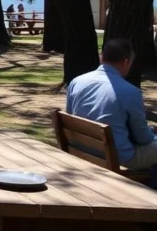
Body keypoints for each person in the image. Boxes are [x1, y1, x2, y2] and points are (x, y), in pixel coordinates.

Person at [67, 39, 157, 170]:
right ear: (126, 62)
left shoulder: (76, 82)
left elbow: (71, 116)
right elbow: (143, 139)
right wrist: (151, 132)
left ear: (101, 57)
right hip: (117, 158)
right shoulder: (130, 92)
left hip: (81, 149)